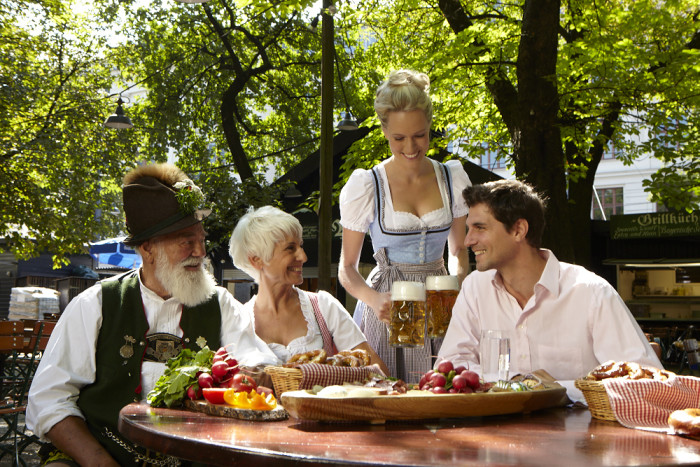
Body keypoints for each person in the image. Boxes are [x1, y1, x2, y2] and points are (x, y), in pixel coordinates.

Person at [27, 163, 277, 466]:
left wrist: (256, 372)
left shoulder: (219, 302)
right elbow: (48, 401)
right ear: (147, 249)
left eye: (202, 240)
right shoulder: (96, 303)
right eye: (186, 241)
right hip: (99, 454)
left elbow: (255, 361)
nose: (200, 251)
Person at [437, 179, 663, 401]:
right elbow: (450, 366)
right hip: (494, 430)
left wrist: (545, 389)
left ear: (518, 230)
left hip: (579, 434)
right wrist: (518, 385)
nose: (467, 240)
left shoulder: (590, 292)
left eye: (480, 228)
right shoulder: (475, 287)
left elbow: (645, 381)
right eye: (468, 229)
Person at [338, 69, 471, 382]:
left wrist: (460, 283)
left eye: (419, 135)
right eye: (399, 138)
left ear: (429, 128)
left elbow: (459, 250)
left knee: (441, 391)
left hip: (440, 301)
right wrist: (374, 300)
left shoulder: (452, 177)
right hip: (388, 303)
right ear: (384, 130)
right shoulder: (367, 184)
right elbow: (347, 268)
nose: (411, 147)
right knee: (389, 399)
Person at [229, 206, 389, 375]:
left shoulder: (323, 307)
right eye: (290, 248)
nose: (303, 257)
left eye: (301, 246)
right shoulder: (241, 322)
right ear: (257, 260)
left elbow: (379, 373)